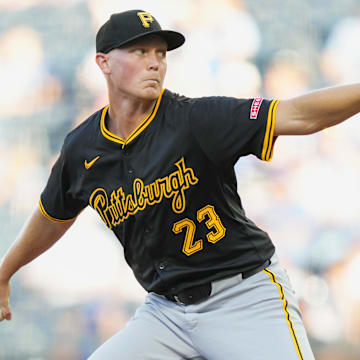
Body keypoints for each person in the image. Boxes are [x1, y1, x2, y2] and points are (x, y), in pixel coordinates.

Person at [1, 9, 359, 360]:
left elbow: (297, 114)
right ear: (103, 62)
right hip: (165, 313)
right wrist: (6, 272)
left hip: (243, 297)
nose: (155, 62)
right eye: (139, 51)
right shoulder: (82, 148)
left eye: (160, 52)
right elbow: (52, 215)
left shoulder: (195, 120)